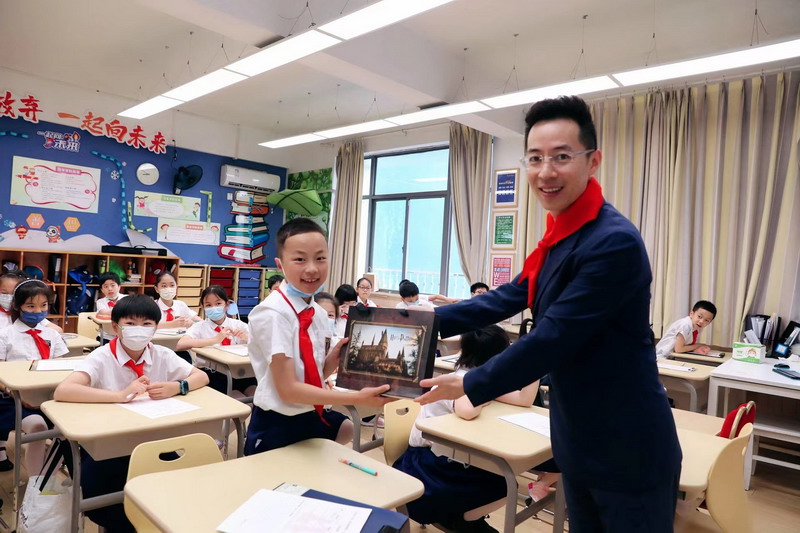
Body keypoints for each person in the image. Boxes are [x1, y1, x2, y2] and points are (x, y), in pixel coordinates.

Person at [417, 96, 681, 533]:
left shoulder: (612, 241)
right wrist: (420, 322)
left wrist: (471, 382)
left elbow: (554, 336)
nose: (545, 171)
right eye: (535, 158)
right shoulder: (562, 235)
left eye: (561, 156)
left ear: (593, 161)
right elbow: (508, 296)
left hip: (627, 446)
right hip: (577, 438)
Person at [54, 295, 208, 532]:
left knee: (176, 492)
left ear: (155, 328)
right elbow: (63, 390)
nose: (139, 330)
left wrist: (178, 386)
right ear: (116, 327)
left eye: (146, 324)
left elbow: (201, 376)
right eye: (130, 323)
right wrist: (119, 395)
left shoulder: (161, 353)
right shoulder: (101, 356)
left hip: (150, 439)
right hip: (108, 444)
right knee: (109, 507)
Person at [244, 218, 391, 455]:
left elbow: (312, 376)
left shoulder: (319, 314)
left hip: (311, 413)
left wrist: (334, 358)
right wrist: (357, 398)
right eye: (300, 259)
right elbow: (288, 390)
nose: (312, 268)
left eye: (320, 258)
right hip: (276, 424)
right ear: (280, 265)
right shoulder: (272, 314)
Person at [395, 326, 538, 532]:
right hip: (426, 465)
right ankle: (457, 520)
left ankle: (461, 518)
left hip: (449, 457)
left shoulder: (480, 377)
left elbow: (523, 399)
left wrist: (534, 362)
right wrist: (485, 393)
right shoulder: (462, 379)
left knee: (502, 482)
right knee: (504, 486)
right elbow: (467, 410)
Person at [0, 280, 67, 474]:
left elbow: (61, 368)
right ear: (17, 306)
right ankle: (35, 486)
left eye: (43, 305)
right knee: (38, 427)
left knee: (68, 429)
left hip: (49, 398)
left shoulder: (52, 335)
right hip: (13, 400)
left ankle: (48, 478)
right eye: (31, 306)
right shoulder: (5, 335)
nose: (38, 311)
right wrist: (17, 394)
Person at [176, 285, 255, 399]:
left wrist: (247, 337)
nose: (214, 308)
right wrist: (215, 340)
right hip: (213, 373)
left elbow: (262, 343)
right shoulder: (199, 327)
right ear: (203, 307)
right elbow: (180, 344)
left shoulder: (238, 324)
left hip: (240, 372)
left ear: (226, 305)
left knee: (254, 395)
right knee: (236, 398)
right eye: (208, 305)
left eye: (218, 303)